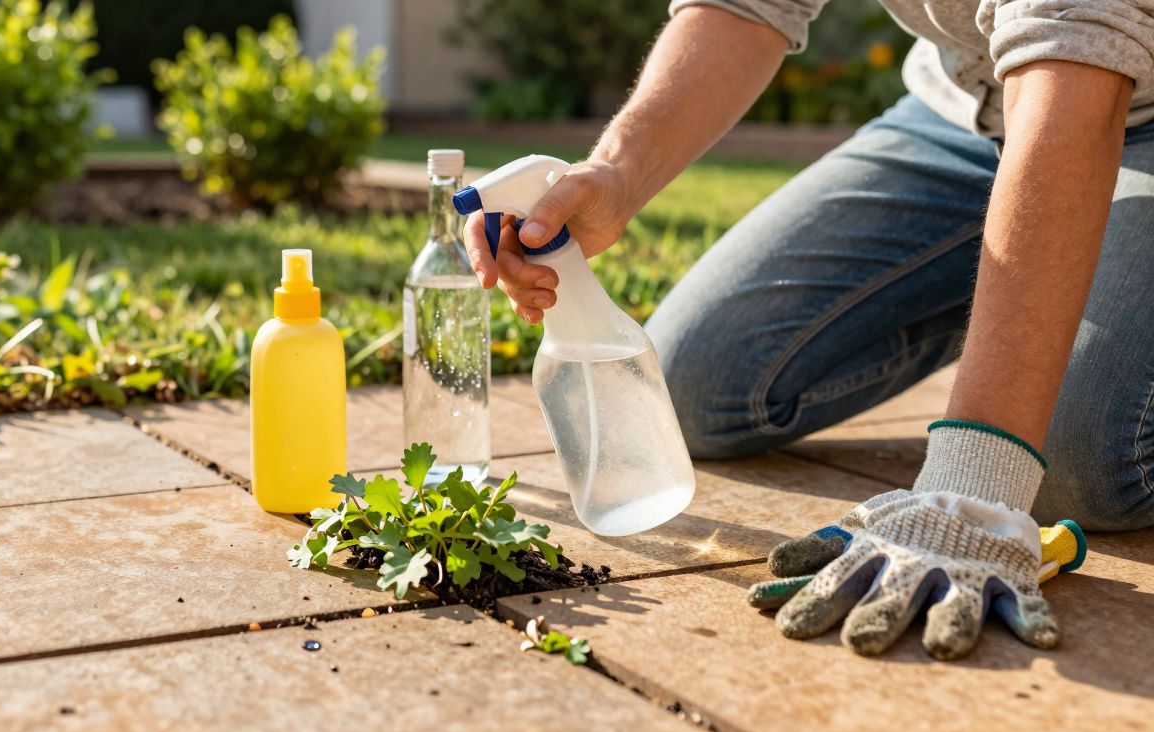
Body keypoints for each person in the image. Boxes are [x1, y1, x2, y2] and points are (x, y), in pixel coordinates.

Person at [462, 0, 1154, 660]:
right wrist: (615, 172)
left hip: (1105, 91)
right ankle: (1025, 282)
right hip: (964, 113)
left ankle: (1049, 298)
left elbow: (1079, 40)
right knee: (702, 382)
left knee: (1081, 461)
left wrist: (972, 483)